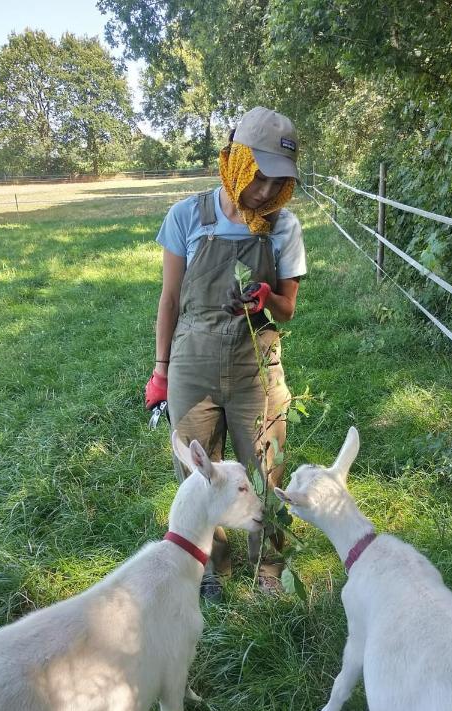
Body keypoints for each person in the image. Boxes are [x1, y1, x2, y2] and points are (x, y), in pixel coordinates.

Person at [145, 107, 307, 602]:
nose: (264, 190)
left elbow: (289, 309)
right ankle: (212, 569)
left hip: (255, 366)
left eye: (277, 181)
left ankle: (268, 572)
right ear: (236, 160)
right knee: (199, 474)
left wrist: (267, 298)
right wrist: (161, 371)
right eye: (259, 175)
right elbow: (170, 299)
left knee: (267, 469)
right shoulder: (187, 216)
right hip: (191, 363)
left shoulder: (284, 227)